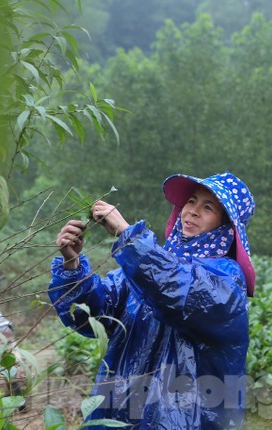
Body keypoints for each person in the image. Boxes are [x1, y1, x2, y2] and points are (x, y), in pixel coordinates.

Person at [48, 172, 256, 429]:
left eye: (208, 207)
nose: (193, 211)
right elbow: (91, 316)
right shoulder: (140, 272)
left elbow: (177, 291)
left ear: (225, 225)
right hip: (118, 413)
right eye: (191, 201)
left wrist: (128, 235)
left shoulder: (227, 279)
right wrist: (72, 264)